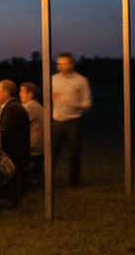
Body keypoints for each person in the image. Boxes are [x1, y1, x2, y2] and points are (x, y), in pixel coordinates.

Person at [52, 52, 92, 187]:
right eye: (59, 63)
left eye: (65, 63)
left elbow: (88, 102)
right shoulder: (52, 80)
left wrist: (77, 106)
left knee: (74, 154)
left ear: (72, 64)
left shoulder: (81, 80)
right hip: (56, 121)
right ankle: (49, 181)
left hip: (73, 122)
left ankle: (74, 182)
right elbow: (46, 99)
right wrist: (51, 99)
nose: (62, 66)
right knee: (52, 153)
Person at [0, 79, 31, 172]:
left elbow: (3, 133)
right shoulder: (13, 106)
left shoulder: (11, 108)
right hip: (17, 153)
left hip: (13, 155)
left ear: (5, 93)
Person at [19, 82, 44, 169]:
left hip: (33, 147)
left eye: (22, 91)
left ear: (30, 94)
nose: (20, 94)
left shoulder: (29, 106)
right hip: (40, 146)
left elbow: (15, 123)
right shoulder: (37, 105)